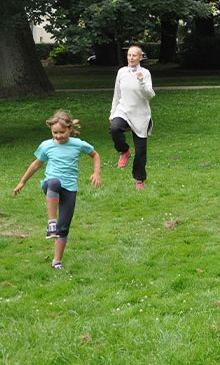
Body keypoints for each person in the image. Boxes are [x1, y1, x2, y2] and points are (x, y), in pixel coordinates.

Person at [13, 110, 102, 270]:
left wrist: (96, 173)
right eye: (55, 132)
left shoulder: (78, 144)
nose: (59, 136)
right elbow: (36, 164)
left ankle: (56, 262)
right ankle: (51, 222)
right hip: (51, 185)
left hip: (70, 188)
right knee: (54, 183)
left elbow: (95, 155)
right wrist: (22, 182)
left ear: (69, 129)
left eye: (62, 132)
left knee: (64, 228)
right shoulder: (46, 146)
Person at [109, 45, 155, 190]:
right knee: (114, 129)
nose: (131, 58)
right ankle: (124, 151)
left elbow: (150, 95)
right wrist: (112, 112)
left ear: (141, 57)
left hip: (140, 115)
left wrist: (141, 81)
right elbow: (117, 94)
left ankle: (139, 179)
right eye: (129, 55)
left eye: (134, 55)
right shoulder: (121, 72)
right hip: (123, 110)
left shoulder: (145, 73)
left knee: (141, 151)